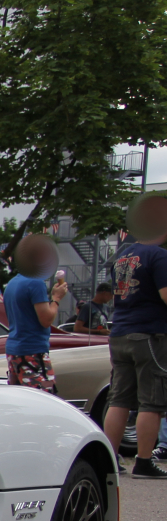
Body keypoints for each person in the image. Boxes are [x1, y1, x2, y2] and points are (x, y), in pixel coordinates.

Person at [104, 193, 167, 478]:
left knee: (119, 399)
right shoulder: (160, 256)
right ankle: (143, 461)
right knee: (151, 402)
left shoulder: (123, 256)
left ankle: (109, 458)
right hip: (150, 334)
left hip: (120, 331)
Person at [1, 235, 68, 397]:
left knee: (21, 399)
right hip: (33, 351)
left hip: (14, 350)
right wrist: (56, 299)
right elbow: (46, 319)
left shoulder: (13, 283)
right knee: (44, 397)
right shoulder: (35, 282)